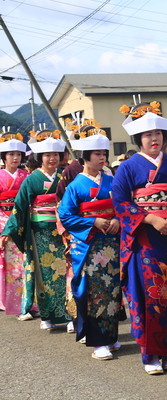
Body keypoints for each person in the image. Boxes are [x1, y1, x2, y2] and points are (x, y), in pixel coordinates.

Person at [112, 100, 167, 375]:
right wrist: (151, 218)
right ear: (139, 138)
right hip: (147, 240)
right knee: (150, 295)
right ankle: (150, 354)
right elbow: (120, 202)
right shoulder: (127, 168)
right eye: (149, 135)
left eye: (158, 134)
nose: (154, 139)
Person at [58, 126, 123, 360]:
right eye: (97, 154)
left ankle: (111, 336)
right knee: (94, 291)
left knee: (112, 289)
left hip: (111, 243)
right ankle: (97, 341)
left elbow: (123, 205)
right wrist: (94, 221)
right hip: (89, 244)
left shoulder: (112, 180)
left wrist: (117, 218)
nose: (102, 157)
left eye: (104, 153)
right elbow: (65, 214)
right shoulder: (76, 185)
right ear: (85, 156)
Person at [0, 130, 72, 331]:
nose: (52, 159)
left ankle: (68, 314)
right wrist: (9, 230)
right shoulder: (31, 180)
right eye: (47, 155)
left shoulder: (64, 178)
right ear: (40, 157)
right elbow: (20, 206)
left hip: (62, 231)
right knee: (44, 274)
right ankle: (47, 315)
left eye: (55, 155)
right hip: (38, 232)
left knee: (65, 272)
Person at [0, 130, 29, 316]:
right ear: (4, 157)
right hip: (1, 218)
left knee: (22, 262)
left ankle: (25, 300)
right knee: (5, 263)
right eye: (11, 154)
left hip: (21, 220)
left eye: (18, 154)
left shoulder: (26, 176)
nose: (15, 157)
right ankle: (5, 300)